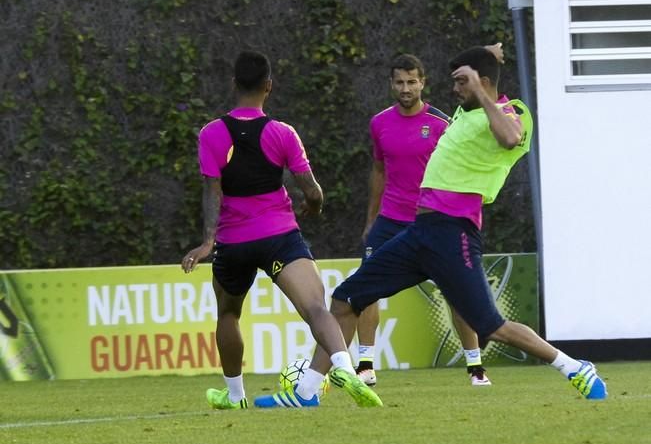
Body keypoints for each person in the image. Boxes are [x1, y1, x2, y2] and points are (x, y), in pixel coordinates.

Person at [256, 45, 607, 406]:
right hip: (418, 233)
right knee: (345, 300)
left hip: (454, 234)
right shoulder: (465, 110)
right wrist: (484, 56)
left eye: (461, 83)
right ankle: (307, 393)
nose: (454, 89)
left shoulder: (510, 112)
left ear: (482, 84)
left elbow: (510, 138)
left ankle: (574, 368)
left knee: (492, 327)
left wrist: (483, 91)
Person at [182, 50, 382, 409]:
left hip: (233, 242)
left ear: (233, 85)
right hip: (279, 236)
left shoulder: (211, 133)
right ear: (269, 87)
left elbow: (212, 189)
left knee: (228, 314)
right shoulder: (282, 133)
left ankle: (235, 395)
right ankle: (343, 367)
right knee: (316, 308)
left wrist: (207, 241)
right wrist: (314, 206)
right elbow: (313, 190)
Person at [356, 49, 503, 387]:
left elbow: (464, 168)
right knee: (365, 289)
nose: (405, 88)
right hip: (390, 220)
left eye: (411, 82)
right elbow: (378, 170)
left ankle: (475, 366)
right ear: (391, 84)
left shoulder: (442, 123)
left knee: (456, 293)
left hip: (436, 223)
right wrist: (371, 219)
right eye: (399, 82)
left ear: (423, 83)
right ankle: (365, 364)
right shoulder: (379, 123)